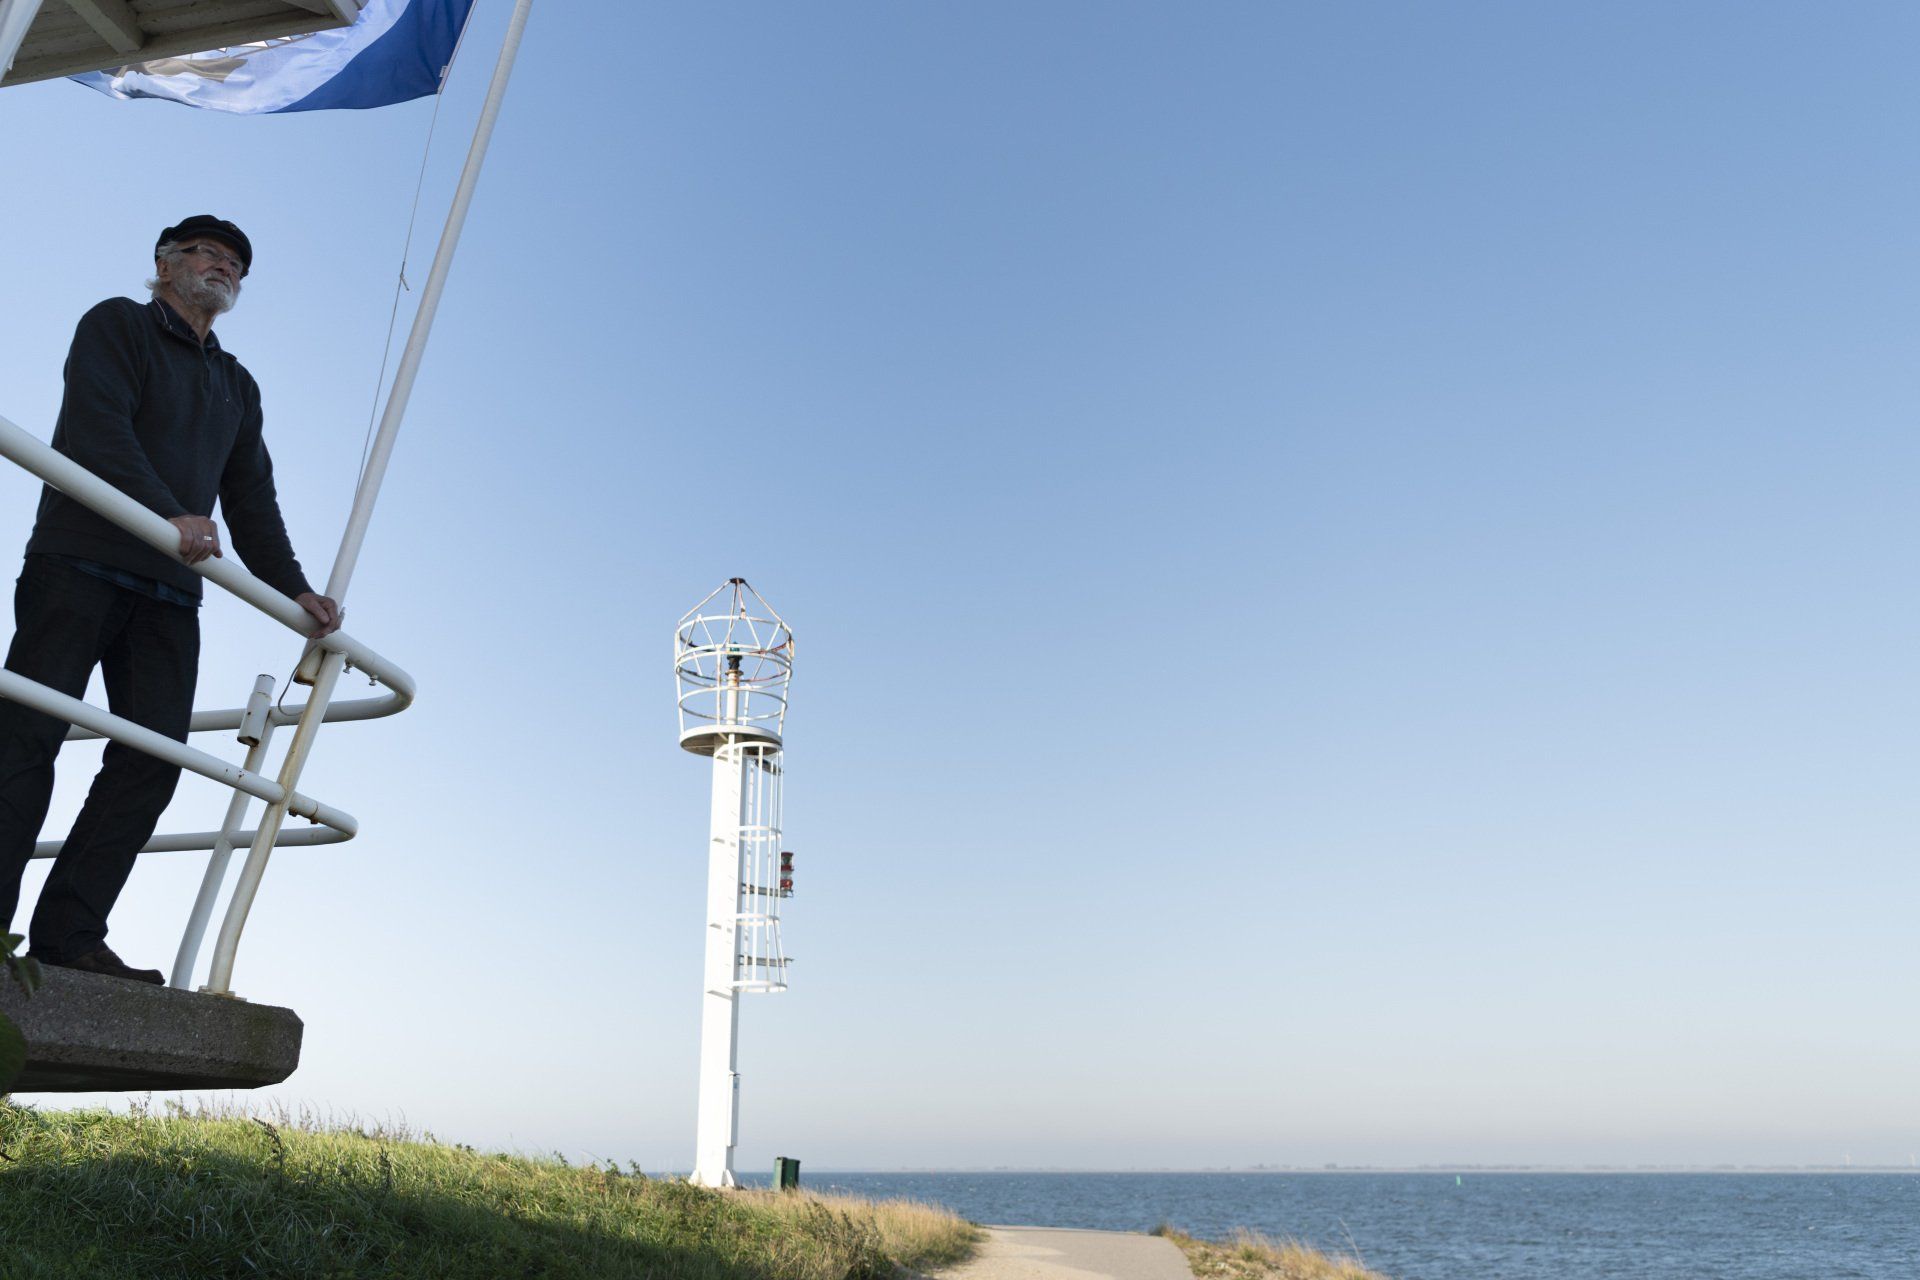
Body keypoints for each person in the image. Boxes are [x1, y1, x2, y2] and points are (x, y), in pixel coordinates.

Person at [0, 216, 341, 985]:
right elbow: (96, 429)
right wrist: (167, 512)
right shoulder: (117, 324)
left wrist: (297, 589)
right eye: (207, 252)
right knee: (26, 739)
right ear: (164, 263)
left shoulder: (236, 383)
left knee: (154, 759)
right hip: (78, 561)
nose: (224, 266)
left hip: (168, 593)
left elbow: (251, 499)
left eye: (236, 264)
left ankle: (68, 936)